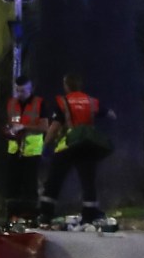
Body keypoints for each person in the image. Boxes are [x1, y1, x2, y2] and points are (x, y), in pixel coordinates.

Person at [38, 72, 115, 225]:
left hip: (68, 145)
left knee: (55, 179)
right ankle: (90, 214)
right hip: (87, 145)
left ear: (66, 85)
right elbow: (111, 114)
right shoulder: (91, 101)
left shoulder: (62, 102)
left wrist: (45, 144)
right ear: (80, 85)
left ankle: (46, 213)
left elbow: (54, 127)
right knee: (88, 181)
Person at [3, 75, 49, 223]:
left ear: (31, 89)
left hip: (31, 151)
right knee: (12, 185)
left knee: (30, 186)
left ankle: (29, 217)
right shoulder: (11, 103)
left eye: (23, 91)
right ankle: (12, 217)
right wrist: (8, 131)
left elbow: (44, 127)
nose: (20, 94)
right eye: (17, 90)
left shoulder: (39, 103)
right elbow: (8, 123)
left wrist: (24, 127)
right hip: (14, 150)